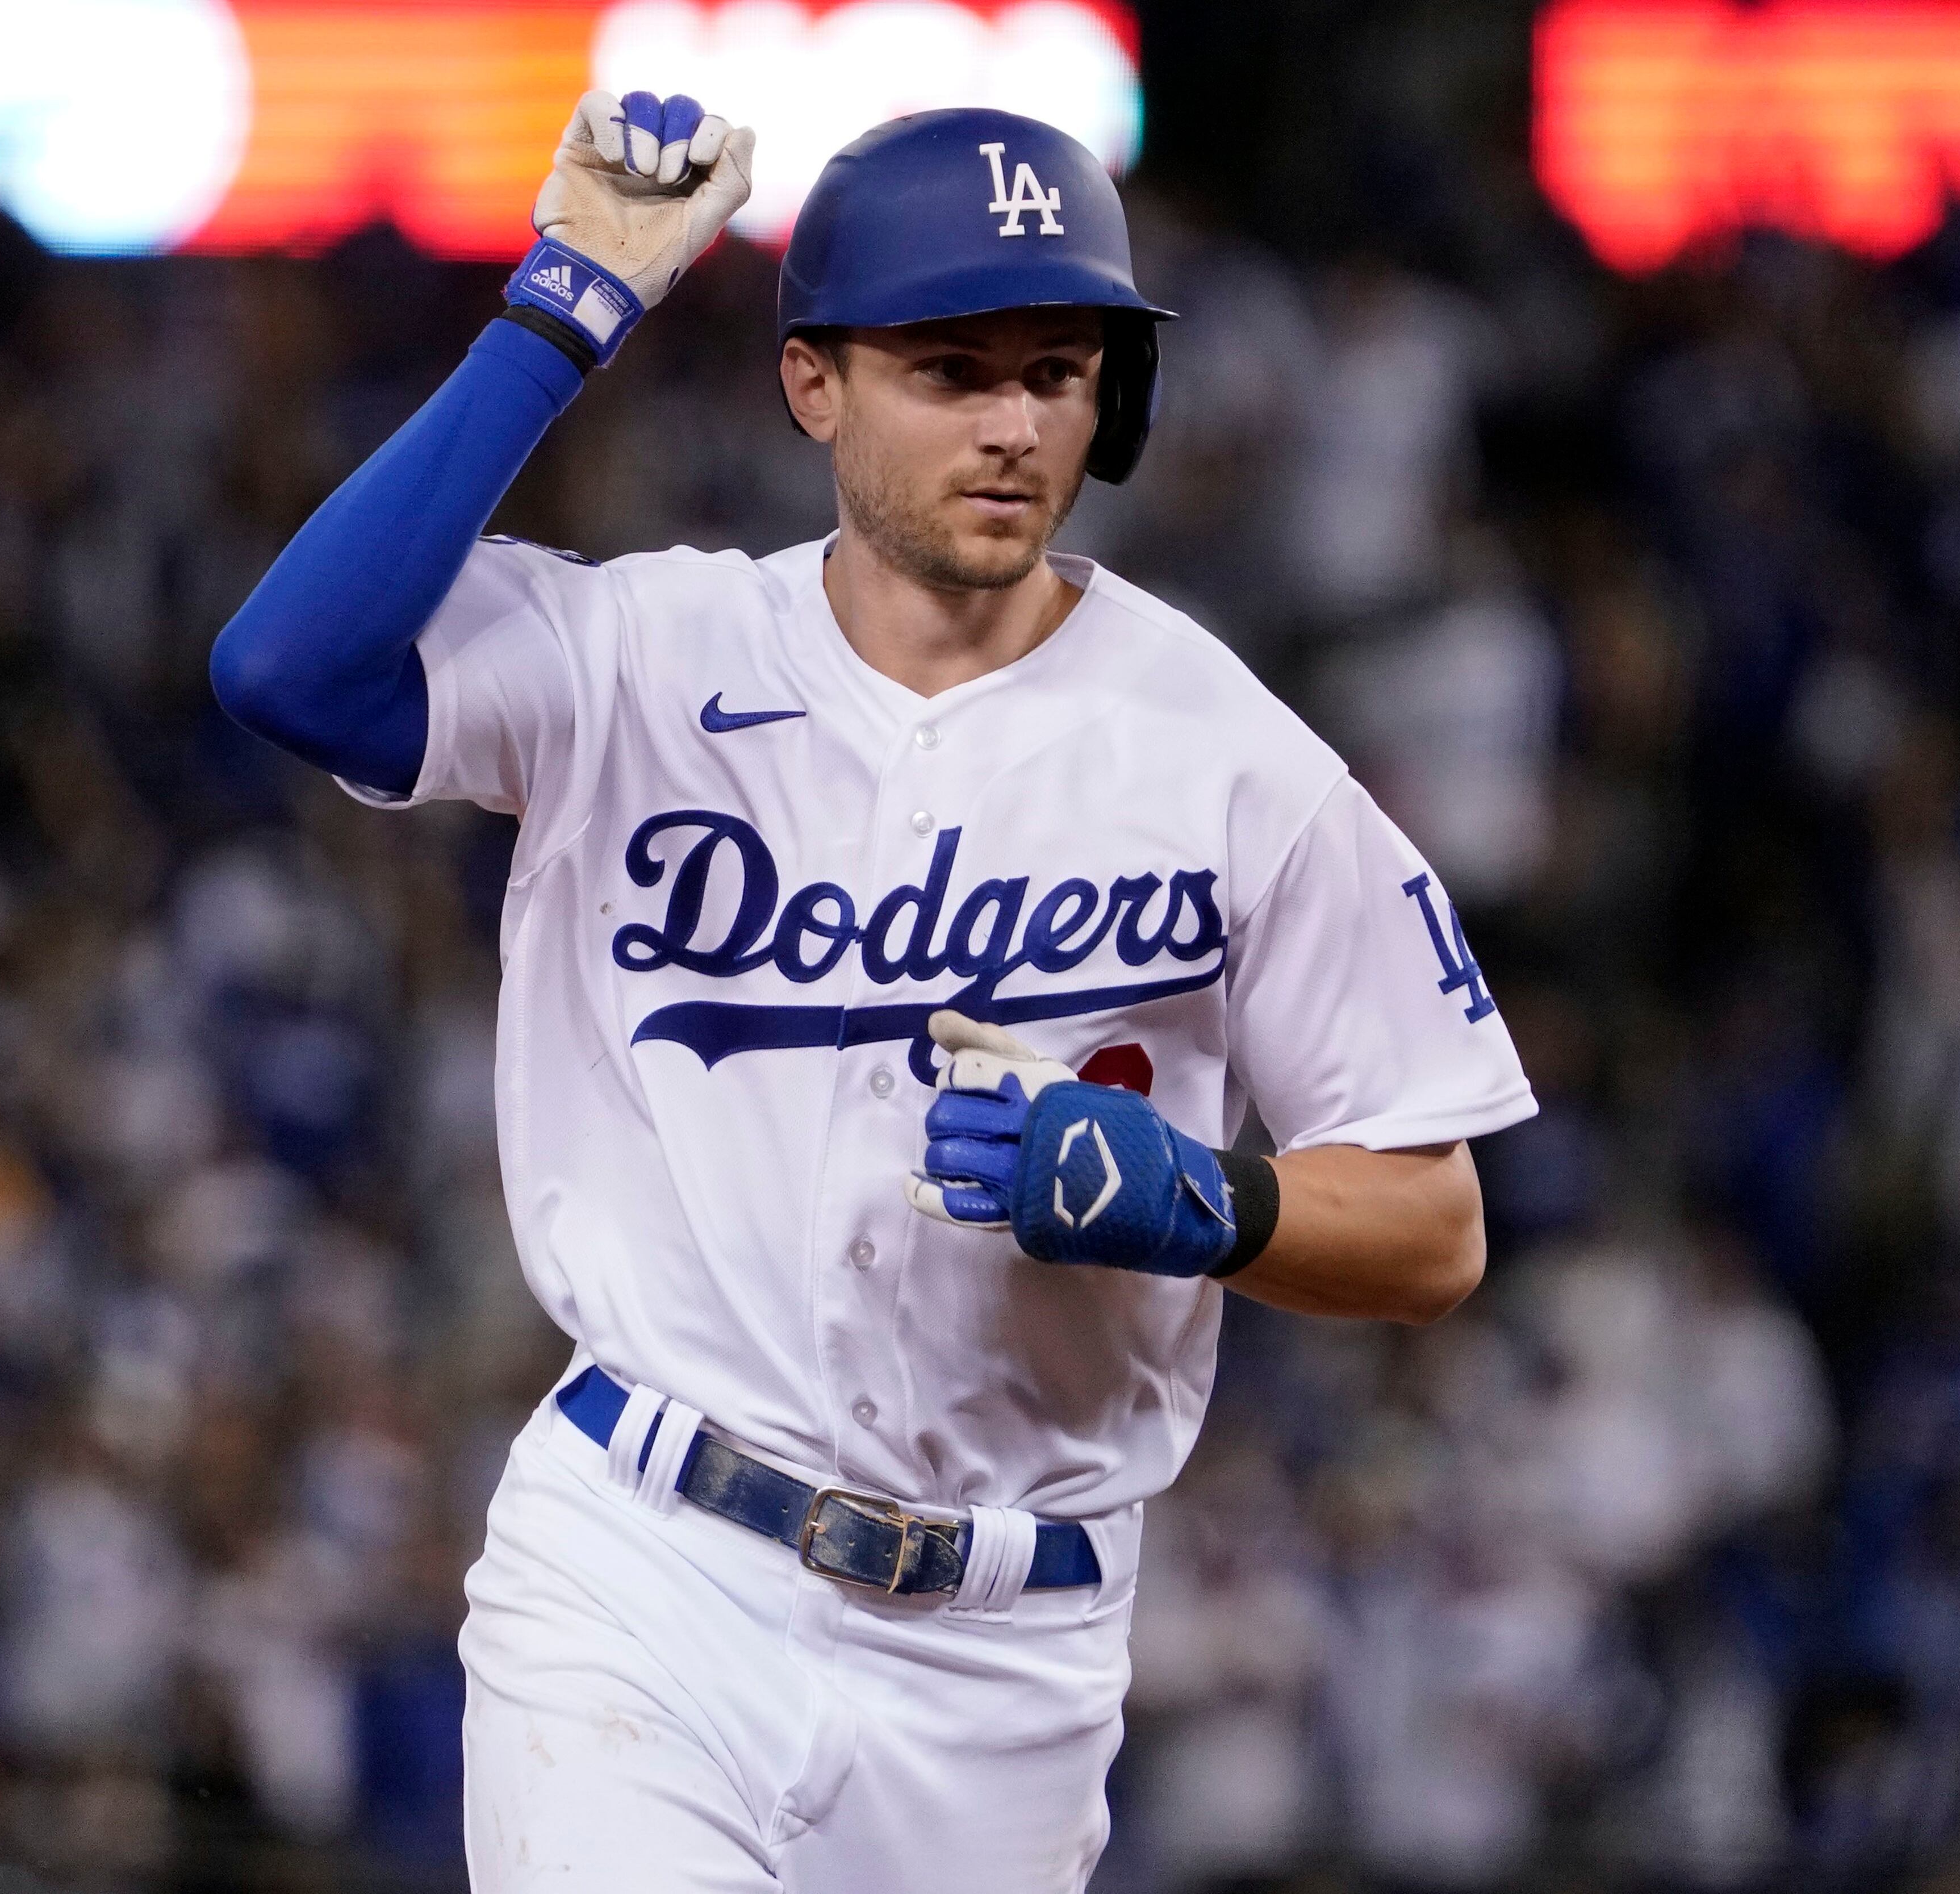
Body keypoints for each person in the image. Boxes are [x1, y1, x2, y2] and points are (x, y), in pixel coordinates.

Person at [210, 89, 1536, 1892]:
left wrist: (1203, 1201)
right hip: (647, 1576)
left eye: (1056, 372)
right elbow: (288, 666)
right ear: (813, 382)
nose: (1012, 426)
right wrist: (560, 307)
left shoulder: (1237, 764)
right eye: (950, 368)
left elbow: (1438, 1224)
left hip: (1008, 1669)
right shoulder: (642, 658)